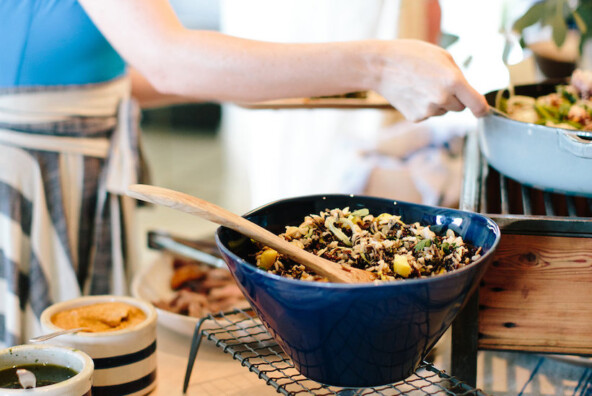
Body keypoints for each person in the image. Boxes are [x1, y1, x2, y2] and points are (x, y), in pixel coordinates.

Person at [0, 0, 488, 349]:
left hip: (76, 163)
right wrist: (378, 64)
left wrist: (265, 88)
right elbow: (169, 60)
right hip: (27, 178)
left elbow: (109, 71)